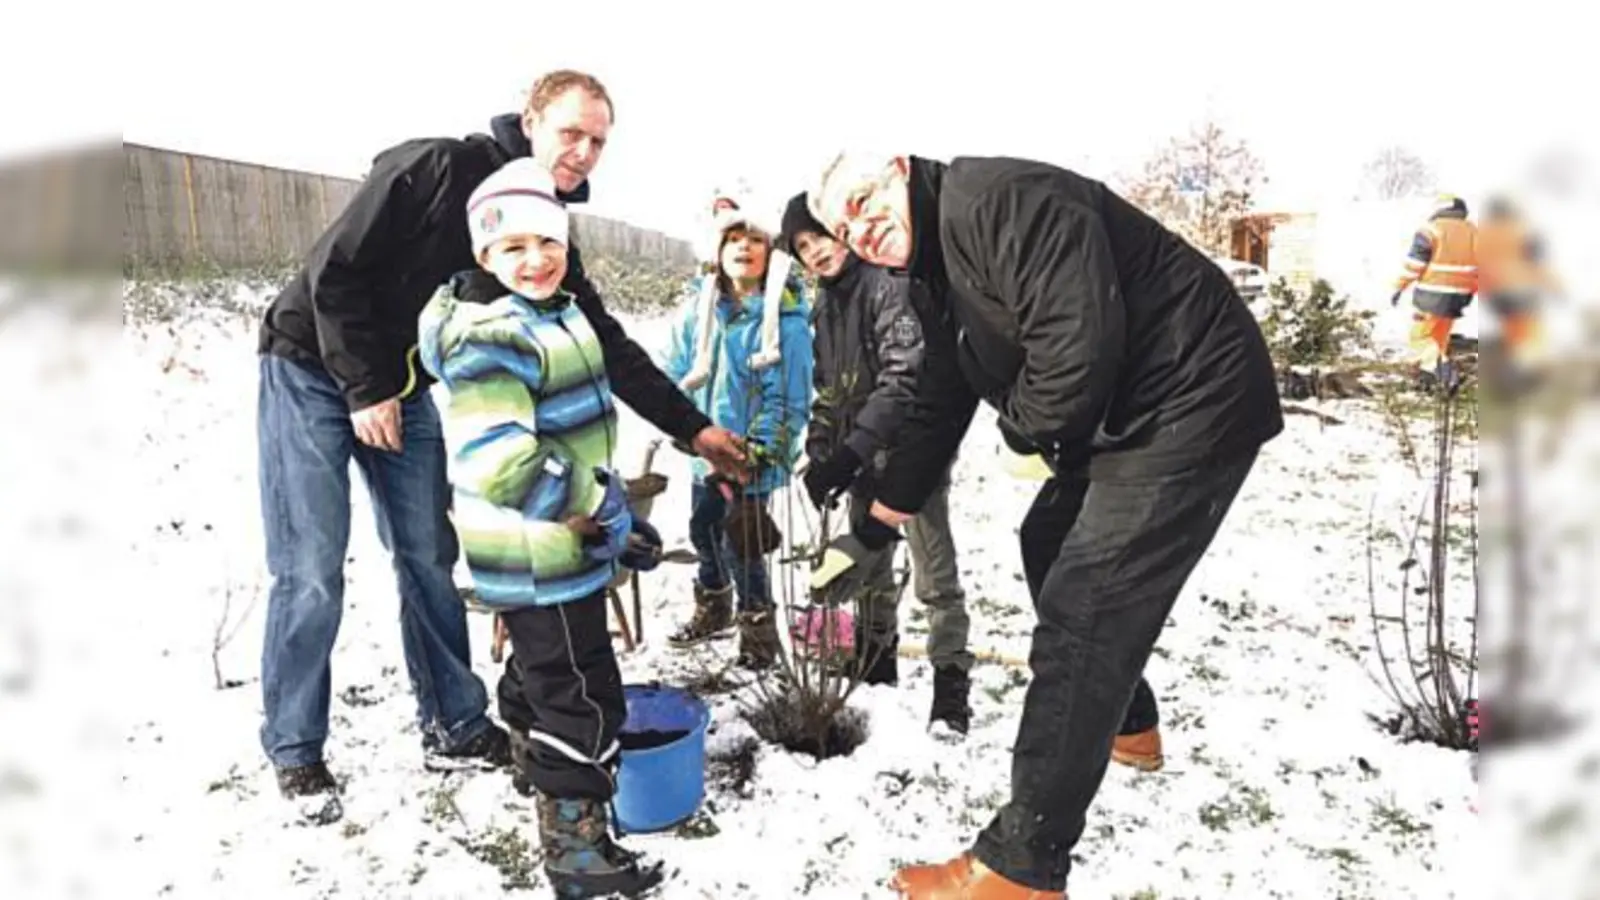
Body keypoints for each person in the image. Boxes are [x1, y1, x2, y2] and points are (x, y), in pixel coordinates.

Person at [252, 68, 747, 816]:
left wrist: (695, 428)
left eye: (598, 141)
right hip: (310, 365)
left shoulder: (542, 224)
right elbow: (335, 273)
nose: (583, 152)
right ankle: (295, 746)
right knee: (313, 566)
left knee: (428, 556)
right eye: (571, 132)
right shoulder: (435, 167)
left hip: (406, 385)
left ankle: (452, 722)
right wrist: (364, 387)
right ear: (531, 119)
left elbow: (602, 340)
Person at [807, 152, 1283, 898]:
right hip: (1139, 412)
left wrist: (1026, 429)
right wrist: (872, 528)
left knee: (1084, 610)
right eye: (843, 225)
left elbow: (1075, 347)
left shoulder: (997, 202)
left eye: (864, 200)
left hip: (1190, 397)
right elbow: (938, 404)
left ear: (900, 168)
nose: (860, 229)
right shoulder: (935, 272)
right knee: (1048, 541)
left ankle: (1021, 866)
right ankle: (1129, 722)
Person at [417, 158, 664, 899]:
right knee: (581, 692)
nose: (535, 259)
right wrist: (598, 506)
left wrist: (612, 514)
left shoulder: (556, 311)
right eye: (513, 247)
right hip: (537, 551)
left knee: (546, 670)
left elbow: (571, 436)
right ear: (483, 253)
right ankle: (576, 853)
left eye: (548, 242)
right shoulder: (490, 335)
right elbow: (503, 463)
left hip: (564, 540)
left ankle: (534, 759)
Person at [779, 191, 975, 735]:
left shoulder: (888, 285)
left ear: (842, 231)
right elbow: (828, 391)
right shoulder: (824, 304)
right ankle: (876, 662)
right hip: (860, 458)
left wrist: (850, 451)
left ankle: (951, 686)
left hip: (912, 458)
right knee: (868, 569)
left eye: (819, 237)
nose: (815, 252)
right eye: (802, 247)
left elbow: (902, 380)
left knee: (933, 573)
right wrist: (822, 450)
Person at [660, 205, 814, 669]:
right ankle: (714, 605)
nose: (743, 248)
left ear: (773, 254)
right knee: (701, 530)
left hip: (750, 460)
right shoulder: (699, 312)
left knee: (740, 544)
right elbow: (672, 372)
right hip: (701, 454)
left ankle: (759, 634)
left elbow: (787, 401)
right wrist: (686, 431)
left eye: (755, 240)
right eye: (733, 239)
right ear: (717, 250)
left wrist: (755, 453)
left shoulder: (785, 326)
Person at [1390, 194, 1478, 386]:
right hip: (1462, 295)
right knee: (1439, 338)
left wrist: (1399, 286)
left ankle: (1444, 372)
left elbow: (1415, 264)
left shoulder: (1431, 230)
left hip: (1432, 294)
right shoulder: (1475, 231)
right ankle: (1430, 380)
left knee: (1420, 337)